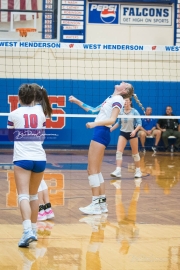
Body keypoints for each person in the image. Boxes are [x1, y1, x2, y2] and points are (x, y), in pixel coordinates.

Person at [69, 81, 134, 215]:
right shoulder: (111, 98)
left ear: (124, 90)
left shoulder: (118, 99)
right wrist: (76, 101)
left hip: (101, 131)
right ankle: (102, 205)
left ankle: (95, 204)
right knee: (96, 171)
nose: (121, 82)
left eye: (124, 83)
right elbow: (93, 110)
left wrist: (94, 124)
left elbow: (112, 120)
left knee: (91, 170)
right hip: (100, 131)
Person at [7, 83, 52, 247]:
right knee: (34, 196)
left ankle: (27, 231)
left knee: (23, 196)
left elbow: (11, 137)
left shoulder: (13, 114)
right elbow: (43, 135)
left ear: (18, 98)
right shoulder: (41, 112)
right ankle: (33, 230)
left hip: (22, 158)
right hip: (40, 158)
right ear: (34, 97)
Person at [110, 97, 142, 178]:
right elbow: (118, 123)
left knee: (135, 153)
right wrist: (111, 129)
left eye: (127, 100)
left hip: (132, 133)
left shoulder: (134, 112)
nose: (125, 102)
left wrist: (135, 131)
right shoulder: (120, 112)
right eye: (124, 101)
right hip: (123, 133)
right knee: (119, 152)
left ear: (130, 102)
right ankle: (118, 171)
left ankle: (138, 171)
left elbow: (139, 124)